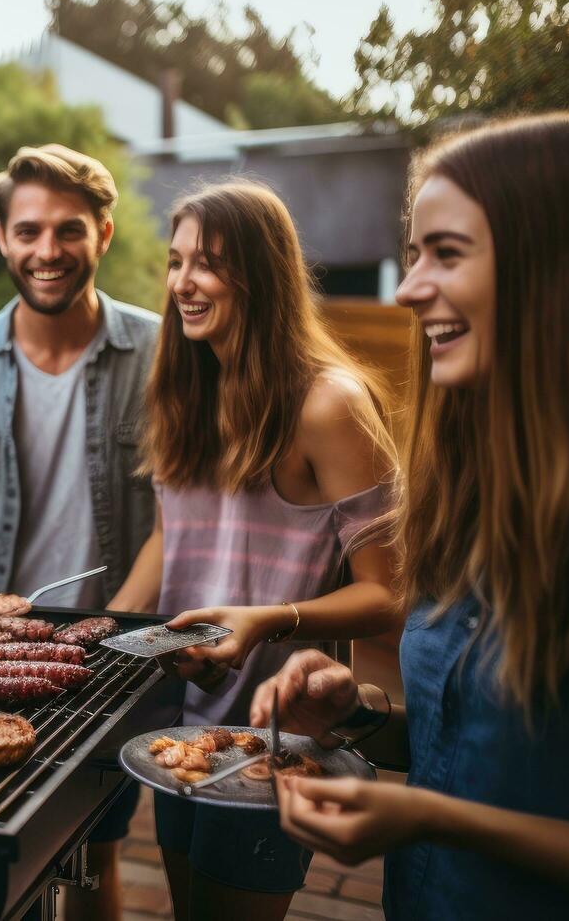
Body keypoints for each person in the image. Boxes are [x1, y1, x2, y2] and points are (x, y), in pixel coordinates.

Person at [252, 112, 569, 919]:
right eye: (413, 255)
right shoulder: (477, 510)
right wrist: (358, 717)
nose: (408, 290)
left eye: (446, 254)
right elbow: (485, 753)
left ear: (557, 268)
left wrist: (430, 819)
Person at [106, 180, 401, 919]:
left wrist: (264, 620)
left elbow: (391, 592)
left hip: (278, 738)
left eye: (207, 262)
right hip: (181, 727)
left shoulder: (329, 403)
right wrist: (105, 635)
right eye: (175, 262)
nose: (182, 283)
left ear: (260, 273)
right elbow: (170, 538)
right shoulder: (187, 391)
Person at [0, 144, 159, 920]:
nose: (48, 252)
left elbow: (182, 517)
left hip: (106, 663)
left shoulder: (160, 352)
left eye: (69, 230)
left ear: (103, 235)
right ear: (3, 240)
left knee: (93, 852)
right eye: (29, 231)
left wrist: (117, 637)